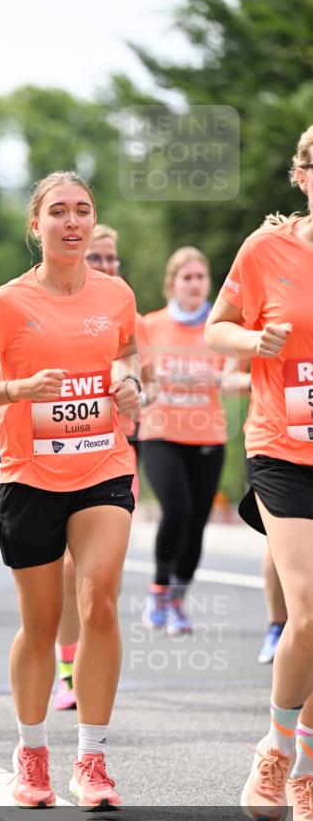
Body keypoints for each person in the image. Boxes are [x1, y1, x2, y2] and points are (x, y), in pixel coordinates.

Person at [0, 171, 141, 808]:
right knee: (39, 627)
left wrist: (127, 381)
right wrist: (18, 391)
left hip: (103, 466)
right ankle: (31, 752)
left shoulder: (116, 294)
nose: (71, 222)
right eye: (58, 212)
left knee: (101, 604)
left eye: (82, 211)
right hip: (29, 476)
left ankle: (91, 758)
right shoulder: (7, 302)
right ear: (35, 226)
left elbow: (129, 353)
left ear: (93, 223)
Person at [205, 124, 313, 821]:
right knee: (306, 609)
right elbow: (215, 329)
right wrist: (252, 340)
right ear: (301, 174)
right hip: (281, 445)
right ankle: (275, 749)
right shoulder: (265, 249)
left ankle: (304, 769)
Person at [54, 224, 144, 711]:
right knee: (68, 569)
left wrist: (130, 385)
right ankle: (68, 665)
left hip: (112, 450)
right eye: (99, 257)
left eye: (112, 258)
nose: (107, 265)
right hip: (55, 454)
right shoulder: (47, 301)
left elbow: (129, 363)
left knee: (101, 574)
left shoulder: (121, 303)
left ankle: (94, 658)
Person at [139, 247, 242, 635]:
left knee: (198, 520)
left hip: (208, 436)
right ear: (172, 283)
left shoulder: (221, 328)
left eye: (201, 277)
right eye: (187, 277)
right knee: (177, 510)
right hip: (161, 433)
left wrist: (228, 379)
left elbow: (232, 379)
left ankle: (178, 601)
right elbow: (139, 374)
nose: (195, 284)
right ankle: (158, 588)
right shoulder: (151, 325)